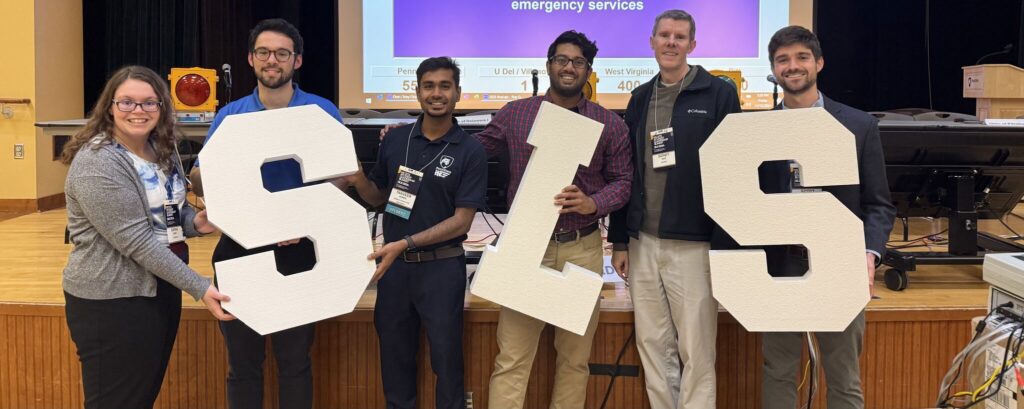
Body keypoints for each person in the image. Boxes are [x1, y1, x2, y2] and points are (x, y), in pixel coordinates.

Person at [712, 25, 894, 409]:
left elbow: (879, 204)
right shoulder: (754, 131)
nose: (792, 67)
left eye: (801, 58)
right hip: (779, 268)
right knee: (777, 371)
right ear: (773, 69)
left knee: (843, 376)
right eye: (782, 60)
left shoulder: (858, 126)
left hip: (840, 267)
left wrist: (869, 254)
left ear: (819, 63)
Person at [189, 18, 344, 409]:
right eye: (263, 52)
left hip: (300, 252)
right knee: (243, 364)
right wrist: (209, 187)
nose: (271, 60)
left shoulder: (320, 111)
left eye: (281, 53)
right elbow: (200, 176)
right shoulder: (231, 116)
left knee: (294, 361)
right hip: (241, 250)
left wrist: (302, 217)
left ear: (298, 61)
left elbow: (341, 179)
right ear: (250, 58)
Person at [60, 65, 233, 409]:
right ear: (109, 106)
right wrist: (200, 287)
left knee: (140, 398)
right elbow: (137, 241)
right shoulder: (99, 161)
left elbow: (167, 211)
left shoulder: (161, 150)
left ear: (162, 108)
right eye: (127, 103)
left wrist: (194, 222)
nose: (138, 111)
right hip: (112, 300)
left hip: (157, 289)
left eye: (148, 103)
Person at [477, 30, 633, 409]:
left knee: (574, 361)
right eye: (562, 60)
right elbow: (473, 149)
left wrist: (593, 203)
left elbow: (625, 181)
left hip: (581, 248)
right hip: (524, 247)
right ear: (548, 65)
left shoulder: (608, 124)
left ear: (589, 71)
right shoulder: (517, 114)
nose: (569, 67)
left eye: (578, 62)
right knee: (512, 358)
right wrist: (410, 134)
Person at [607, 9, 742, 409]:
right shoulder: (640, 97)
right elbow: (626, 172)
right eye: (664, 35)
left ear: (692, 45)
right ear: (651, 42)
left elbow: (731, 171)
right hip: (643, 241)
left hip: (694, 243)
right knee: (652, 344)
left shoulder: (718, 94)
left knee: (696, 349)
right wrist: (619, 240)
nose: (671, 43)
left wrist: (724, 249)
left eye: (679, 37)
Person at [341, 56, 487, 409]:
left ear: (458, 93)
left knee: (447, 365)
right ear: (417, 91)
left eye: (445, 86)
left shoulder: (471, 150)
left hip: (441, 270)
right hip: (395, 273)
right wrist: (359, 178)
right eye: (429, 86)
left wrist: (405, 242)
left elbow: (462, 221)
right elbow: (379, 198)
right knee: (395, 363)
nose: (436, 94)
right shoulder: (394, 140)